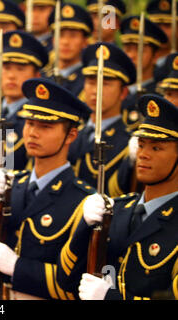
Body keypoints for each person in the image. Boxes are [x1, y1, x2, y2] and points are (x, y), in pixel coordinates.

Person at [0, 78, 95, 300]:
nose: (32, 133)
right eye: (30, 123)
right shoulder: (12, 186)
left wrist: (17, 267)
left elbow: (75, 282)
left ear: (71, 135)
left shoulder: (83, 202)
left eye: (45, 126)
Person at [58, 94, 178, 300]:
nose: (144, 154)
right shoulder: (118, 209)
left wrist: (109, 298)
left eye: (156, 147)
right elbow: (66, 279)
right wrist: (84, 227)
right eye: (141, 145)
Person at [69, 42, 136, 197]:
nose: (95, 91)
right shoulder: (72, 132)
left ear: (123, 93)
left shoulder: (128, 145)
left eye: (105, 84)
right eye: (91, 82)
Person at [0, 30, 48, 171]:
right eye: (6, 68)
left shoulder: (38, 118)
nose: (11, 76)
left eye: (20, 69)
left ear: (37, 75)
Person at [120, 15, 168, 130]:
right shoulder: (116, 90)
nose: (131, 55)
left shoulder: (160, 97)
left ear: (155, 56)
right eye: (127, 48)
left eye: (139, 49)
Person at [45, 2, 93, 98]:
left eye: (73, 36)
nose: (65, 42)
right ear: (53, 40)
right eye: (61, 35)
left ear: (85, 42)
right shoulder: (42, 77)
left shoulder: (89, 82)